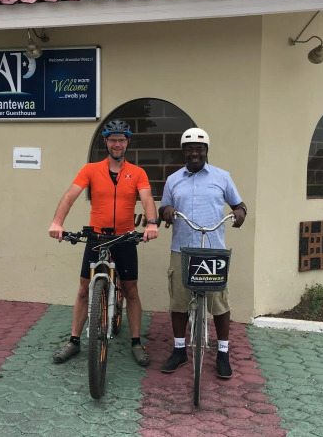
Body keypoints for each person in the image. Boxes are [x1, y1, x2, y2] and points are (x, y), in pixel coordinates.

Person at [48, 119, 159, 367]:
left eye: (121, 140)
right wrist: (57, 223)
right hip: (97, 237)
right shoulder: (91, 169)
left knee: (131, 291)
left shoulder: (137, 173)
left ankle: (136, 342)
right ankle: (74, 341)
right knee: (83, 289)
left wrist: (151, 223)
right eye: (113, 140)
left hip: (125, 238)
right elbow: (70, 195)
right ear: (106, 142)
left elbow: (147, 198)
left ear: (127, 142)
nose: (117, 144)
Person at [158, 127, 246, 378]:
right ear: (183, 151)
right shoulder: (173, 179)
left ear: (206, 151)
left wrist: (239, 213)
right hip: (182, 249)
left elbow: (239, 205)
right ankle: (179, 350)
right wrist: (166, 211)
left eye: (199, 149)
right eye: (189, 149)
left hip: (213, 250)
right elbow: (164, 208)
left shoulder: (222, 177)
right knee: (179, 302)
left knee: (219, 302)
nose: (194, 153)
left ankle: (223, 353)